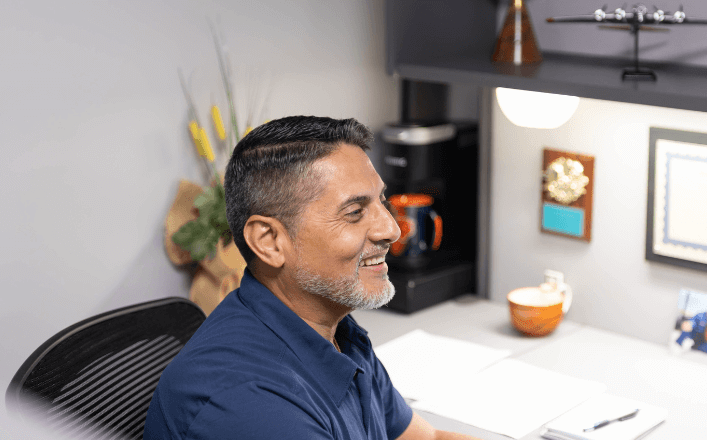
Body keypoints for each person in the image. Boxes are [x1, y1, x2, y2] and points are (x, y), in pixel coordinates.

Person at [144, 116, 477, 440]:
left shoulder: (335, 328)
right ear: (269, 241)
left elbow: (426, 437)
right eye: (355, 212)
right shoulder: (251, 407)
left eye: (381, 201)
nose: (391, 228)